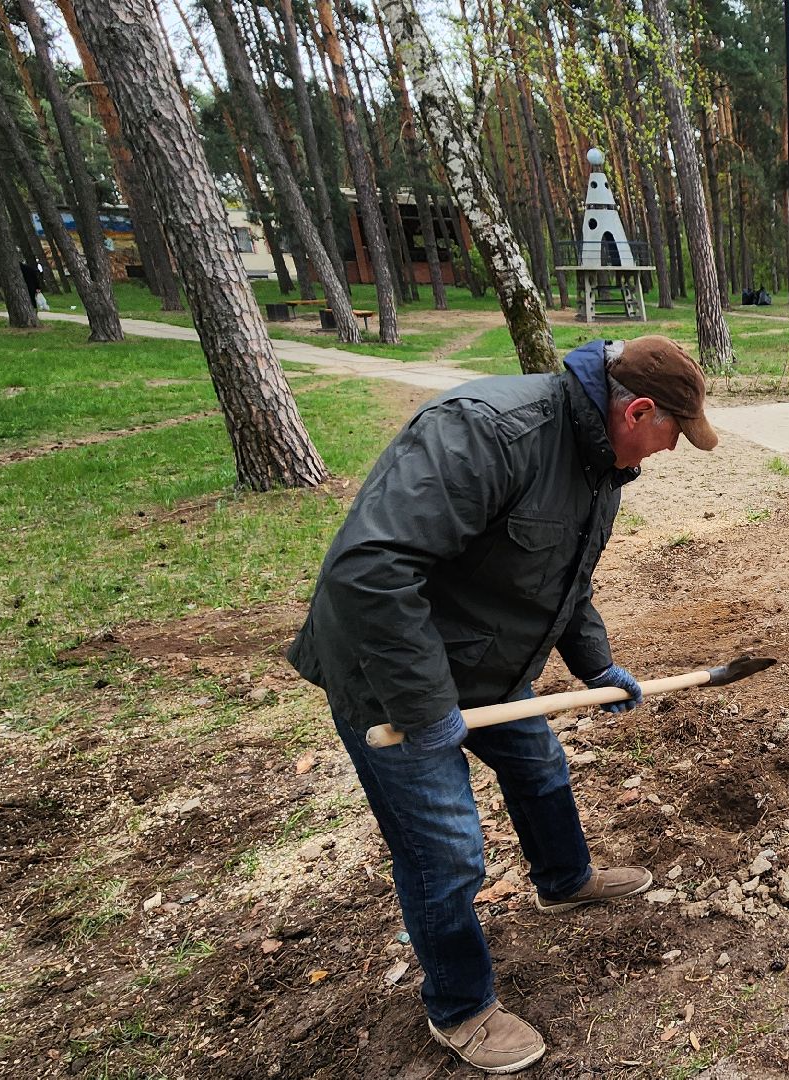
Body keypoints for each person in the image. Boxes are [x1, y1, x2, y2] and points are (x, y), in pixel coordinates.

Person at [287, 335, 717, 1073]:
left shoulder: (601, 465)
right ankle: (459, 1006)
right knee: (445, 850)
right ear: (638, 411)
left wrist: (596, 665)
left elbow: (566, 579)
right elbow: (371, 570)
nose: (672, 449)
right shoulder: (487, 433)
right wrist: (426, 708)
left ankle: (564, 882)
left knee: (540, 768)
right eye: (674, 432)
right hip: (389, 673)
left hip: (483, 659)